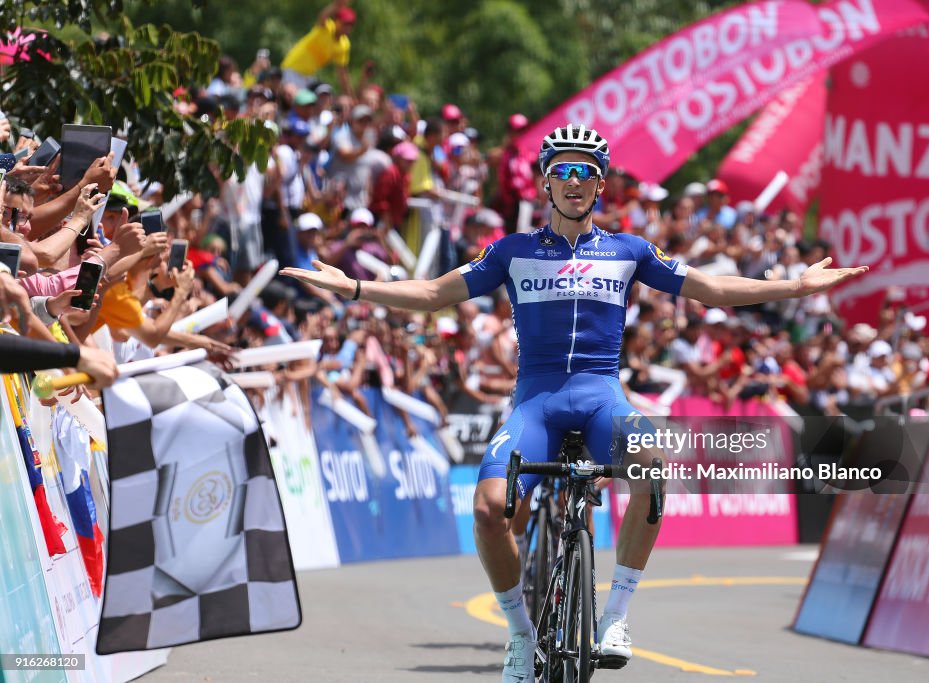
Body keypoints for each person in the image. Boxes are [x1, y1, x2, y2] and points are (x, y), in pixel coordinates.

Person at [282, 123, 868, 682]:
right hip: (535, 401)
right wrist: (357, 288)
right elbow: (435, 293)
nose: (574, 180)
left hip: (600, 397)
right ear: (545, 180)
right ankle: (519, 636)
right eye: (562, 169)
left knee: (652, 469)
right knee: (489, 510)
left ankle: (615, 616)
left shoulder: (629, 250)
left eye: (586, 171)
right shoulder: (510, 251)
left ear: (599, 184)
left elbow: (710, 287)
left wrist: (792, 286)